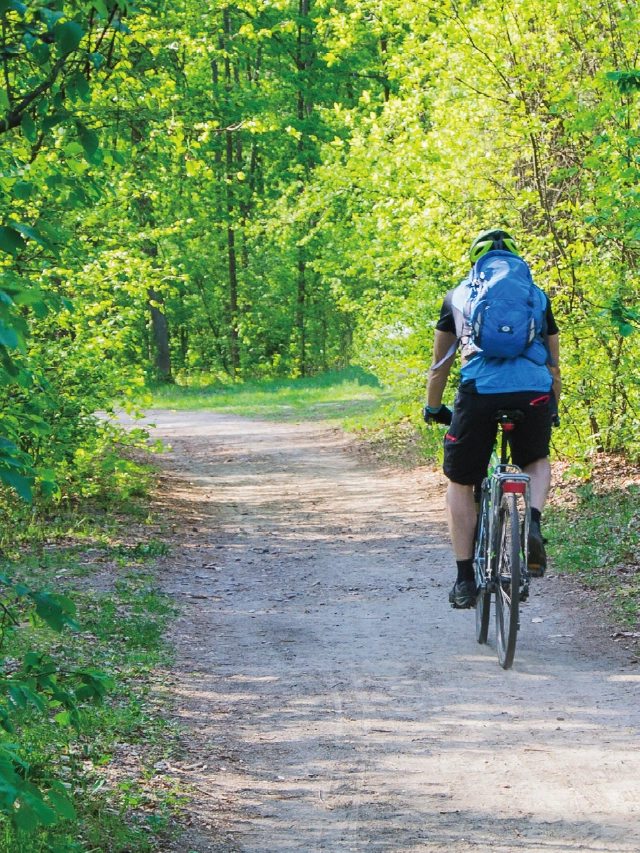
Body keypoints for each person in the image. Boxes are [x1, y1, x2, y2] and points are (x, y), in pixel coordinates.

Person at [423, 228, 561, 609]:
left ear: (475, 261)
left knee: (461, 481)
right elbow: (553, 366)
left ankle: (465, 579)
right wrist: (552, 406)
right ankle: (531, 521)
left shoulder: (458, 296)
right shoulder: (537, 295)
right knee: (535, 459)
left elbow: (440, 368)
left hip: (479, 392)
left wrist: (434, 409)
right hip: (532, 390)